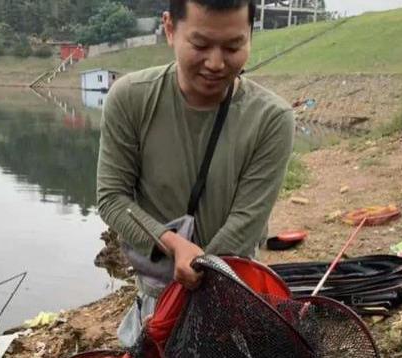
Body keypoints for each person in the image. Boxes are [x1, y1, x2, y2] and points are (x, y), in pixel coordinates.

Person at [96, 0, 295, 347]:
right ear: (170, 28)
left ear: (250, 34)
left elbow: (247, 222)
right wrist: (172, 244)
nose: (216, 63)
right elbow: (112, 198)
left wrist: (201, 273)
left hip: (231, 291)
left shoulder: (271, 118)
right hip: (157, 295)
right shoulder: (129, 99)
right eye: (201, 45)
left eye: (233, 46)